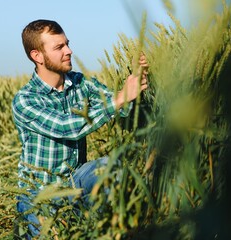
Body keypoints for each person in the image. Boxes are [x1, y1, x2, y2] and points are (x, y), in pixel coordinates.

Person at [12, 19, 148, 238]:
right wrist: (121, 98)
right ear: (37, 56)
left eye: (67, 44)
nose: (69, 51)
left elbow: (119, 106)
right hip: (40, 193)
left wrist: (135, 79)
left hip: (77, 180)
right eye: (59, 47)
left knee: (109, 167)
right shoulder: (25, 100)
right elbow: (68, 128)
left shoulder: (79, 82)